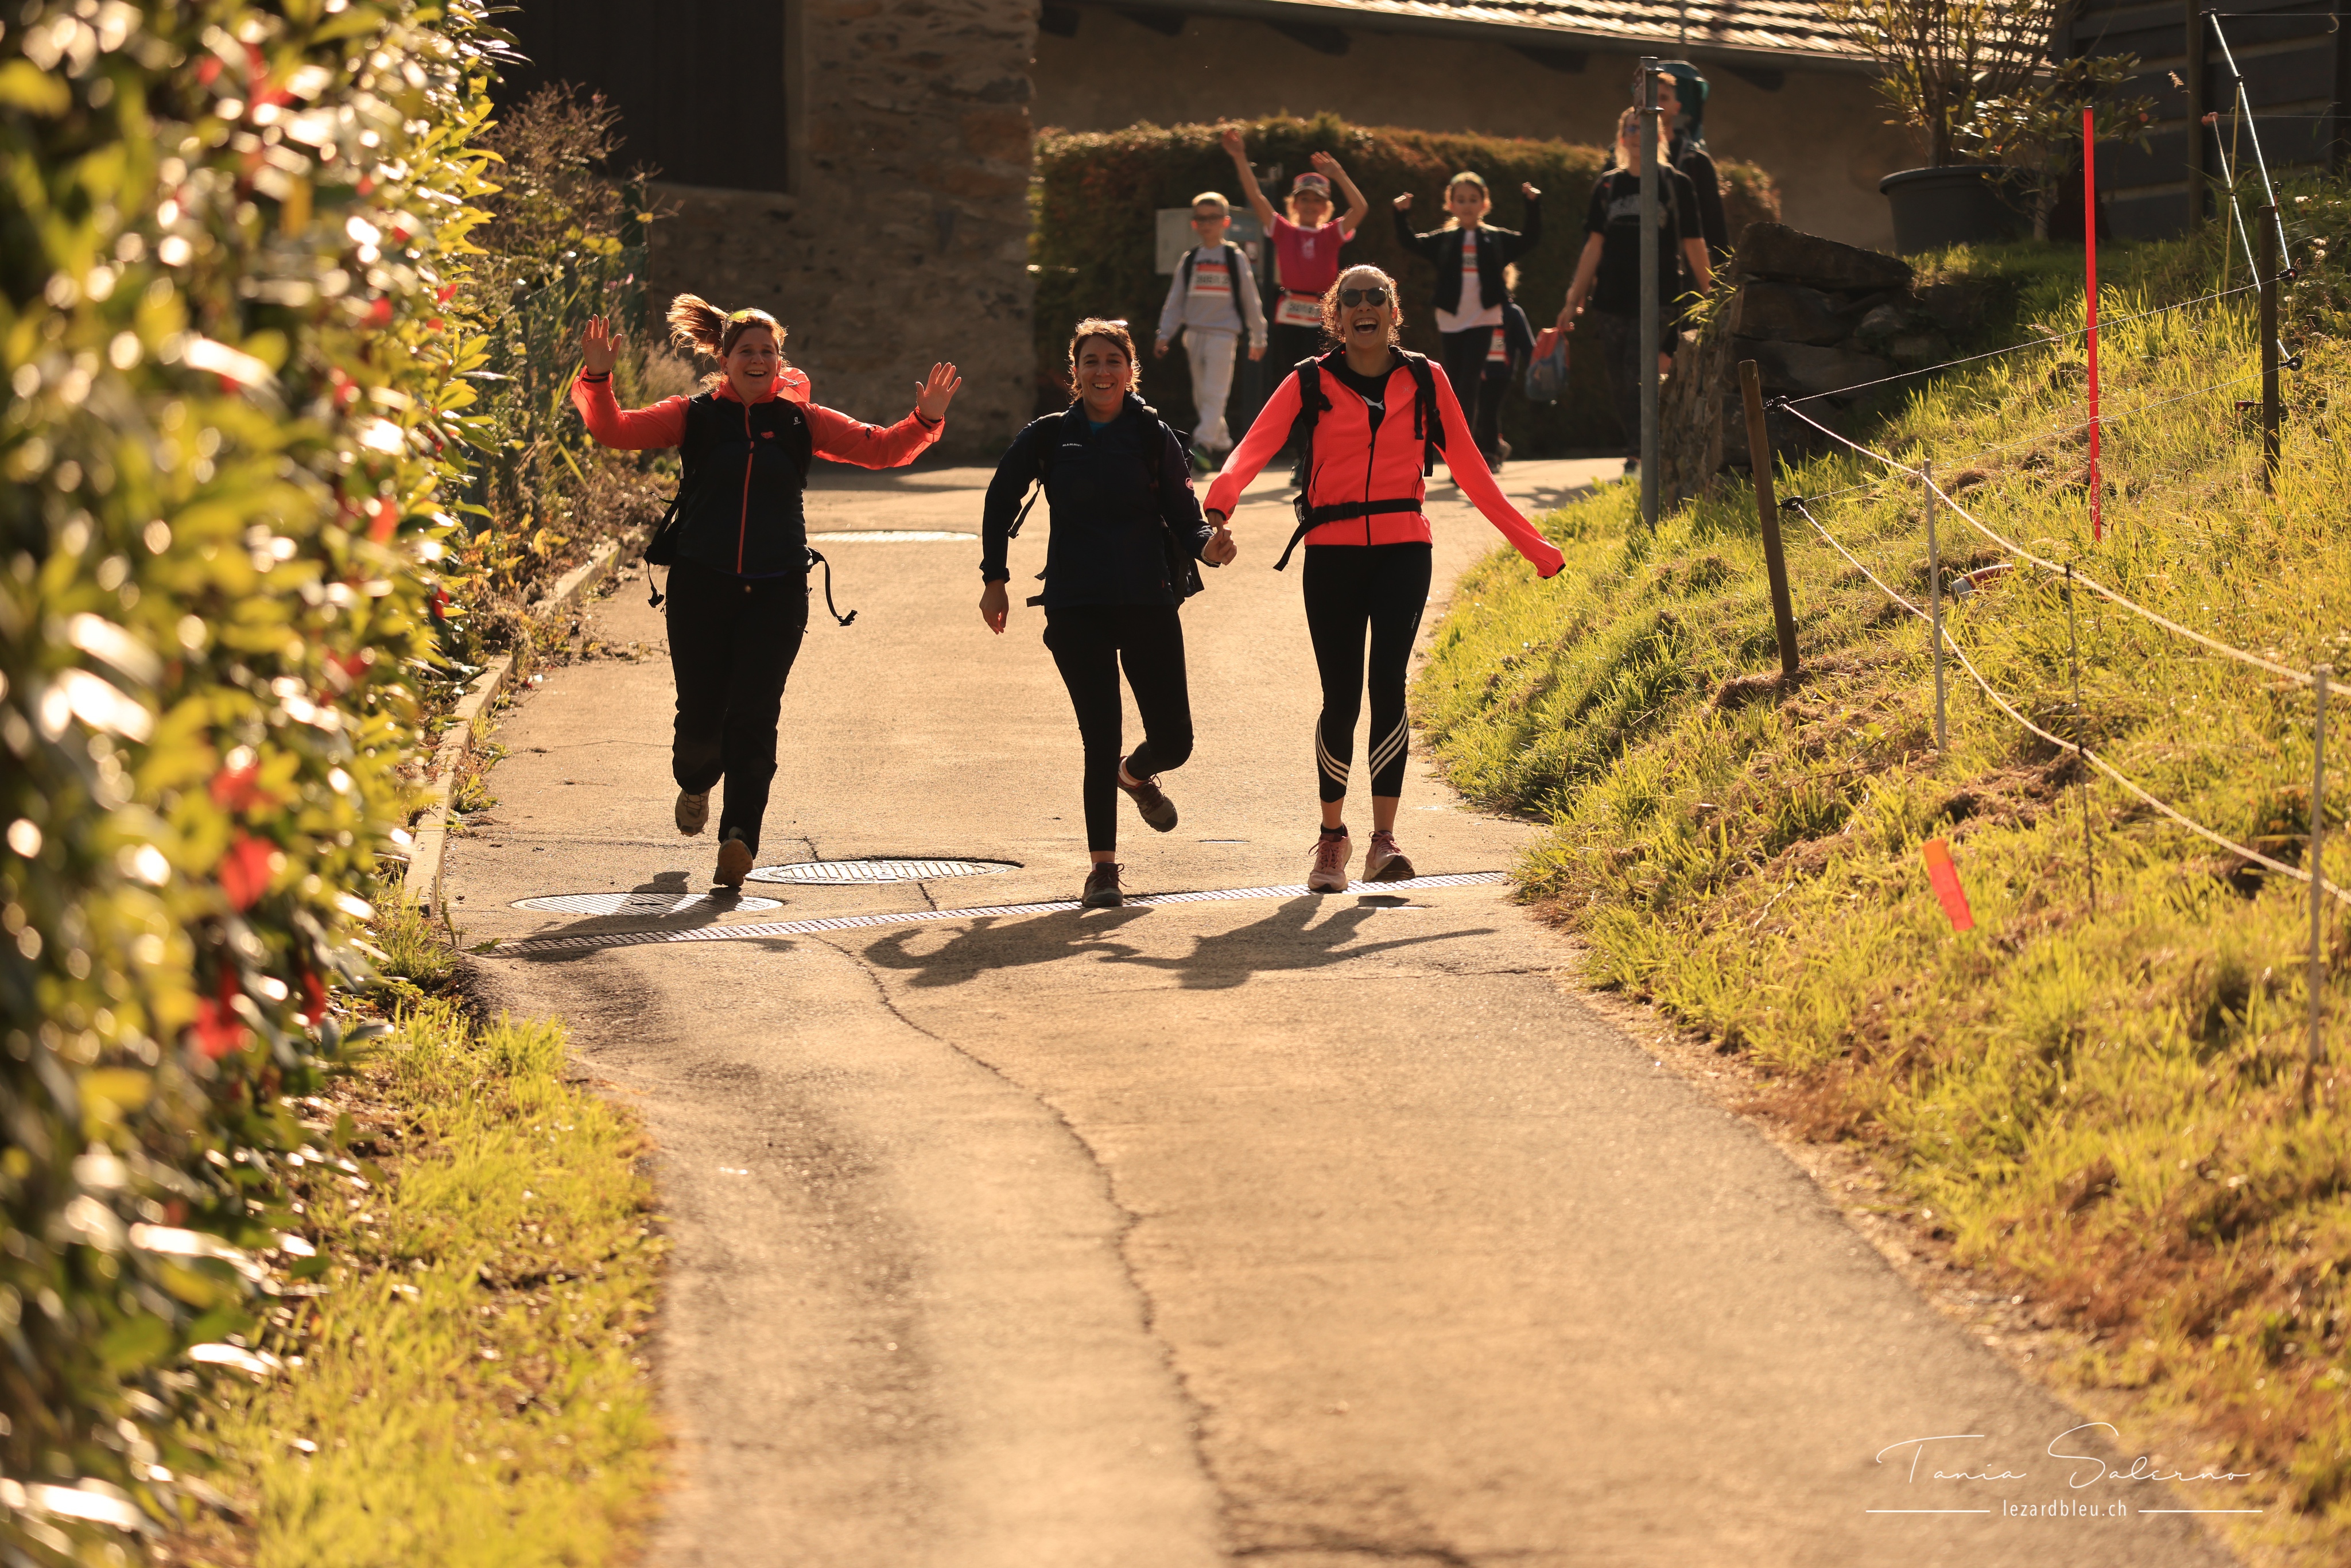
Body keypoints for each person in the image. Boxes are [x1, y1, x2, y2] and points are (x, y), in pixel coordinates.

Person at [573, 300, 960, 888]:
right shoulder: (694, 415)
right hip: (701, 586)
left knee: (756, 714)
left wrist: (925, 419)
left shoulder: (802, 420)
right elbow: (615, 429)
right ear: (724, 359)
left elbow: (881, 448)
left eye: (768, 351)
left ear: (780, 361)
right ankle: (696, 781)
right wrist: (598, 377)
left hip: (777, 590)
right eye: (746, 351)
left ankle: (740, 838)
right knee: (700, 719)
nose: (758, 360)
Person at [1203, 265, 1564, 893]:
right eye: (1352, 299)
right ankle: (1332, 836)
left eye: (1378, 297)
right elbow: (1251, 448)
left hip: (1404, 549)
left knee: (1388, 686)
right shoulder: (1309, 380)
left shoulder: (1426, 378)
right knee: (1341, 696)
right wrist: (1216, 510)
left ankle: (1383, 840)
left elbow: (1471, 468)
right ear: (1335, 315)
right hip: (1331, 553)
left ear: (1394, 313)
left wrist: (1533, 546)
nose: (1364, 306)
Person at [981, 319, 1239, 909]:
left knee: (1174, 742)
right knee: (1100, 738)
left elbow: (1185, 516)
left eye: (1113, 361)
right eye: (1090, 361)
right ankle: (1103, 870)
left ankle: (1135, 775)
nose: (1102, 371)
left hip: (1148, 600)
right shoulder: (1049, 436)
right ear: (1075, 373)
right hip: (1076, 606)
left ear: (1130, 371)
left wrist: (1209, 546)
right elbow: (1000, 499)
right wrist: (995, 579)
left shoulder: (1152, 435)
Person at [1555, 107, 1714, 473]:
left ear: (1659, 135)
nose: (1636, 134)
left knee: (1637, 371)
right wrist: (1573, 299)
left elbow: (1693, 243)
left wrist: (1712, 294)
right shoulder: (1608, 186)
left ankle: (1641, 454)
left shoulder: (1676, 184)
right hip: (1611, 299)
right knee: (1618, 378)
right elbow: (1594, 246)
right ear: (1621, 137)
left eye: (1644, 127)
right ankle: (1641, 448)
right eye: (1630, 128)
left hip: (1659, 297)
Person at [1391, 170, 1542, 469]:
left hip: (1484, 317)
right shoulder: (1446, 240)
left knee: (1470, 382)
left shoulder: (1495, 239)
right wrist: (1400, 214)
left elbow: (1530, 239)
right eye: (1461, 200)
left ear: (1485, 204)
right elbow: (1411, 242)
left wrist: (1533, 205)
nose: (1467, 205)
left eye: (1473, 199)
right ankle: (1455, 447)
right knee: (1454, 382)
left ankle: (1465, 454)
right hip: (1451, 318)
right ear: (1451, 205)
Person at [1219, 129, 1370, 374]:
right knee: (1292, 373)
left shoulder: (1332, 234)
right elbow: (1256, 197)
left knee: (1324, 372)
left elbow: (1360, 208)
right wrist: (1239, 156)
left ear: (1326, 207)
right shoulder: (1284, 231)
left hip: (1323, 309)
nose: (1310, 205)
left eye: (1317, 200)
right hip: (1289, 312)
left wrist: (1339, 174)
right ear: (1294, 204)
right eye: (1304, 199)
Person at [1154, 191, 1267, 461]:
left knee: (1216, 393)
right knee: (1202, 397)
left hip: (1223, 336)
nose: (1207, 224)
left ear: (1225, 222)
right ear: (1194, 223)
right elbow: (1176, 300)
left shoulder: (1234, 257)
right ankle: (1222, 443)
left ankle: (1201, 445)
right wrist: (1164, 334)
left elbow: (1250, 299)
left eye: (1213, 218)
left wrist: (1259, 336)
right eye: (1202, 219)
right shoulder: (1190, 258)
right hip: (1194, 334)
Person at [1654, 60, 1732, 270]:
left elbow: (1714, 226)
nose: (1656, 106)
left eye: (1664, 98)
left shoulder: (1696, 162)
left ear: (1677, 107)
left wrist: (1724, 274)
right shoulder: (1620, 160)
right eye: (1651, 98)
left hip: (1680, 273)